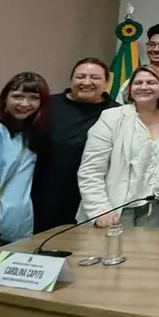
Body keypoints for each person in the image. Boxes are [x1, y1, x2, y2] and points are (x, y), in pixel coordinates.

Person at [78, 65, 159, 227]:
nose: (144, 87)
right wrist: (100, 209)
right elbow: (91, 170)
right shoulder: (111, 117)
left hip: (157, 207)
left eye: (151, 82)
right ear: (130, 88)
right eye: (138, 83)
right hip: (115, 207)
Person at [32, 59, 117, 233]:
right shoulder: (47, 105)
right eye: (80, 77)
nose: (86, 82)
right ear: (72, 79)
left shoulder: (116, 113)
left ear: (107, 82)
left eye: (95, 77)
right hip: (44, 197)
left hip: (93, 201)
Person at [0, 73, 50, 245]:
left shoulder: (31, 134)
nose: (25, 104)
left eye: (33, 98)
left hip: (18, 228)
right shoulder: (0, 131)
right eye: (17, 96)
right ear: (5, 98)